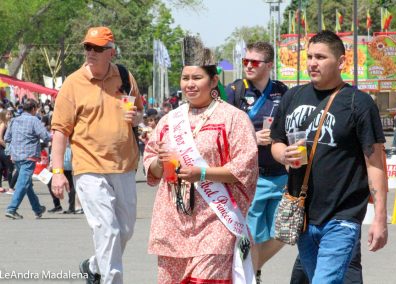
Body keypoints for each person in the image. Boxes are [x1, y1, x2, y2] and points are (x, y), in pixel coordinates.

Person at [270, 30, 388, 283]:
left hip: (342, 217)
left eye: (321, 57)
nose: (312, 62)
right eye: (310, 56)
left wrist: (380, 219)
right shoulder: (293, 96)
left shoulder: (359, 103)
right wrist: (284, 155)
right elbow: (276, 141)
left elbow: (375, 163)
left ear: (341, 62)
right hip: (303, 214)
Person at [143, 36, 258, 284]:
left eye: (197, 78)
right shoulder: (169, 120)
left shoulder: (233, 119)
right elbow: (150, 164)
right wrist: (159, 162)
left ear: (214, 80)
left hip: (216, 219)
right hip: (171, 220)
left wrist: (202, 173)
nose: (190, 84)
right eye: (186, 78)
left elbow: (245, 167)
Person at [50, 26, 143, 284]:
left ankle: (93, 265)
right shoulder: (73, 84)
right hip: (88, 167)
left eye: (97, 48)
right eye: (87, 47)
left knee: (124, 230)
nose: (90, 52)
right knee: (108, 229)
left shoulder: (125, 76)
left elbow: (139, 113)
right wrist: (58, 173)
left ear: (110, 52)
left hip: (124, 166)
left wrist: (136, 117)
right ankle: (110, 280)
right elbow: (59, 132)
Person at [225, 41, 288, 282]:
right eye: (245, 62)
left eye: (254, 62)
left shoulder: (282, 91)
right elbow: (222, 129)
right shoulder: (234, 91)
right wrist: (252, 135)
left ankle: (250, 271)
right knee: (251, 235)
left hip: (282, 174)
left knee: (284, 232)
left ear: (269, 65)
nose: (248, 66)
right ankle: (250, 275)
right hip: (251, 176)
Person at [4, 99, 49, 219]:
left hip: (16, 156)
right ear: (34, 109)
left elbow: (7, 137)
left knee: (27, 183)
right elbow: (44, 136)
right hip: (29, 156)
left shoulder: (14, 120)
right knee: (23, 183)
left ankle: (37, 208)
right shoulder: (34, 120)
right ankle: (12, 208)